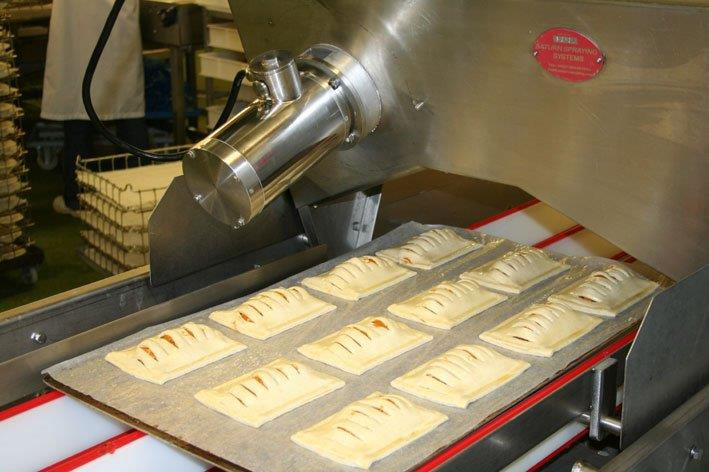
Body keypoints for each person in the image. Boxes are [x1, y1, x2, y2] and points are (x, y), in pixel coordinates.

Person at [40, 0, 148, 215]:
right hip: (116, 25)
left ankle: (77, 199)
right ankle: (140, 196)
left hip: (74, 26)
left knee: (78, 111)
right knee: (127, 112)